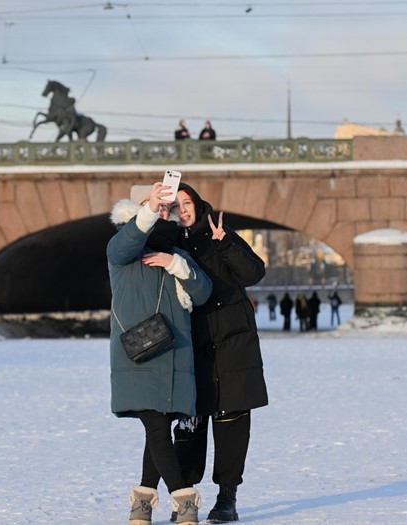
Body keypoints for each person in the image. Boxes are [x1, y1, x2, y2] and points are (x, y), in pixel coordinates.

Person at [107, 182, 212, 525]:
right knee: (155, 425)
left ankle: (142, 504)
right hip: (140, 355)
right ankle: (184, 500)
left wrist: (175, 264)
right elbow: (131, 237)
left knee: (158, 429)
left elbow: (202, 292)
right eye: (158, 206)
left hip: (173, 356)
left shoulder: (176, 253)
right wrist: (150, 208)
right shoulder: (122, 247)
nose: (164, 211)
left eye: (165, 207)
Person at [171, 182, 268, 523]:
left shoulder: (220, 234)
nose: (182, 210)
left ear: (198, 205)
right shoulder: (166, 241)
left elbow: (254, 272)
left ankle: (227, 497)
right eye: (175, 205)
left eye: (187, 203)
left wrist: (224, 244)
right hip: (189, 347)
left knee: (231, 422)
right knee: (189, 424)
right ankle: (185, 497)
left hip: (232, 343)